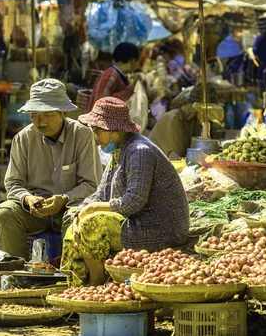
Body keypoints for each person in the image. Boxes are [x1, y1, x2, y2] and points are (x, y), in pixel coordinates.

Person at [63, 97, 190, 286]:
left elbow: (133, 202)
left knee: (91, 224)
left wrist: (92, 209)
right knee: (73, 227)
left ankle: (96, 283)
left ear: (115, 130)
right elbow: (101, 193)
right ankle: (76, 286)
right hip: (135, 221)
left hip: (158, 228)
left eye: (98, 131)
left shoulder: (140, 151)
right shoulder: (119, 151)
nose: (96, 138)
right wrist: (80, 210)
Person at [0, 79, 102, 260]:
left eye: (48, 115)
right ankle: (17, 274)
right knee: (5, 213)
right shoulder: (23, 139)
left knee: (77, 217)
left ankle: (72, 275)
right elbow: (13, 183)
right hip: (35, 211)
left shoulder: (82, 135)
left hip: (69, 206)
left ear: (64, 113)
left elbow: (91, 184)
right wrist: (27, 198)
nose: (41, 122)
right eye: (35, 115)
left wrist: (65, 198)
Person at [149, 85, 221, 159]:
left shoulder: (194, 121)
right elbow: (175, 159)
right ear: (197, 107)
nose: (208, 117)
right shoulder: (173, 119)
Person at [86, 42, 141, 112]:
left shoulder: (119, 75)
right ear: (132, 61)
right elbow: (101, 102)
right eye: (137, 62)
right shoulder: (111, 75)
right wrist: (130, 88)